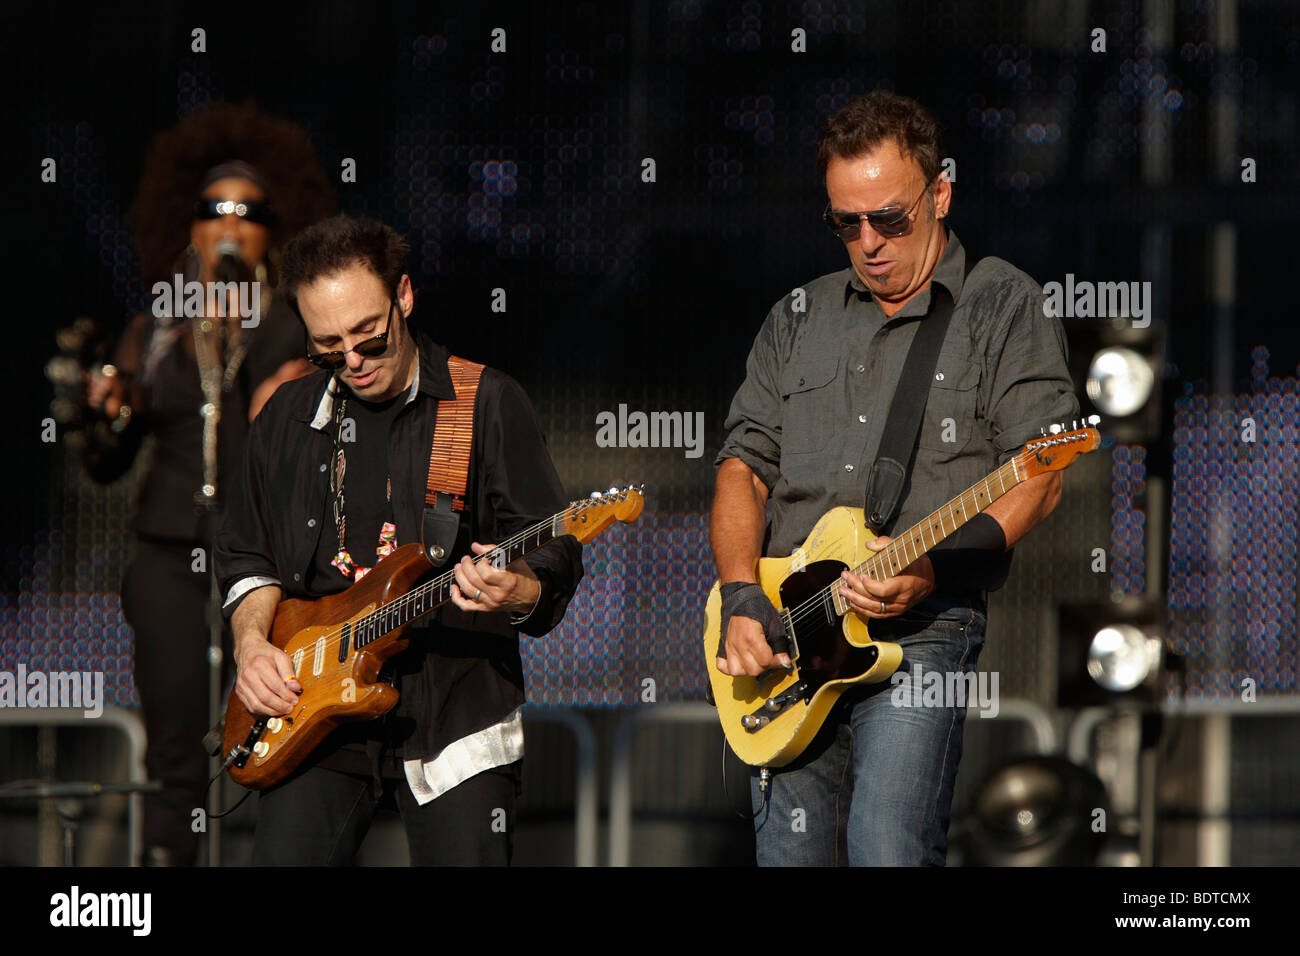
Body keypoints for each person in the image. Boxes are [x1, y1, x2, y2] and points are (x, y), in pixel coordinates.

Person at [711, 90, 1079, 866]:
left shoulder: (1001, 303)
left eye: (891, 218)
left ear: (939, 194)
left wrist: (935, 566)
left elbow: (1038, 478)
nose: (869, 241)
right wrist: (742, 595)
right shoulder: (798, 316)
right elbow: (743, 468)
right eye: (847, 223)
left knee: (888, 848)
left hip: (924, 628)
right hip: (791, 630)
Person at [214, 214, 583, 866]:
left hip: (455, 712)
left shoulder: (486, 402)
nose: (352, 361)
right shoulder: (285, 418)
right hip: (313, 713)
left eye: (369, 337)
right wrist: (250, 645)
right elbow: (245, 551)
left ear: (403, 297)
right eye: (328, 346)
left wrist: (518, 587)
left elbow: (553, 542)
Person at [82, 103, 334, 865]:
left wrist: (300, 390)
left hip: (263, 550)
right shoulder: (152, 330)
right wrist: (108, 413)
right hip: (166, 546)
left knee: (287, 725)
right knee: (175, 724)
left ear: (272, 226)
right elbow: (103, 464)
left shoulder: (296, 322)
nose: (229, 223)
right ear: (187, 224)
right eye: (213, 209)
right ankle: (167, 863)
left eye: (247, 210)